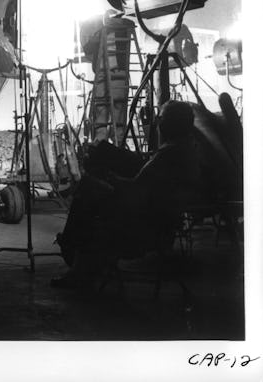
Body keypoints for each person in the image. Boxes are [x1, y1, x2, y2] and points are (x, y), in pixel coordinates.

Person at [51, 100, 201, 289]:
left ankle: (75, 257)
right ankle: (78, 260)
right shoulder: (185, 149)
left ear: (171, 123)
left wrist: (110, 178)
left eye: (161, 117)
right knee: (96, 176)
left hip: (142, 224)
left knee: (87, 190)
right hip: (159, 220)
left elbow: (135, 190)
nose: (157, 121)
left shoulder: (169, 155)